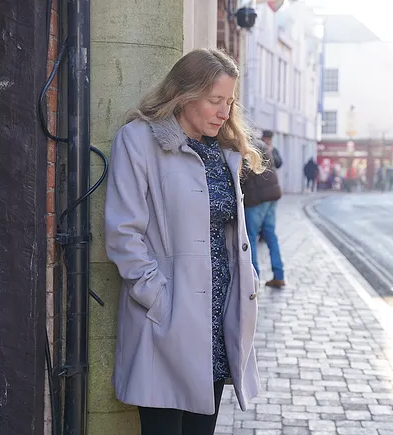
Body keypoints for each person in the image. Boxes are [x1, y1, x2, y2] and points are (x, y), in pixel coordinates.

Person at [104, 48, 262, 435]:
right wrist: (157, 297)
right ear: (184, 94)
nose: (224, 112)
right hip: (167, 318)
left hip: (217, 317)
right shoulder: (138, 141)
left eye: (230, 101)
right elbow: (123, 232)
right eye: (215, 101)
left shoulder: (225, 151)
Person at [242, 132, 286, 289]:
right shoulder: (262, 145)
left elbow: (243, 174)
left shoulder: (246, 147)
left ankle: (255, 280)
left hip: (257, 199)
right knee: (271, 236)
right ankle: (279, 275)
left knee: (251, 237)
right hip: (272, 196)